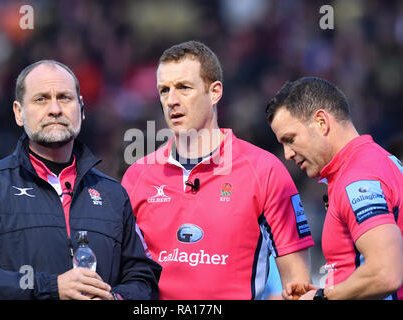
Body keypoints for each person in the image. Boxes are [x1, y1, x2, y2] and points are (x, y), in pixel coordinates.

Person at [121, 40, 314, 299]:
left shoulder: (265, 171)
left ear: (215, 92)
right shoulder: (137, 176)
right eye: (164, 90)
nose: (171, 100)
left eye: (183, 88)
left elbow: (298, 286)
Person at [0, 60, 161, 300]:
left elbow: (143, 278)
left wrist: (115, 298)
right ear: (19, 113)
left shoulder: (113, 193)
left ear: (81, 109)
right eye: (41, 99)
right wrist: (50, 287)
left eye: (64, 98)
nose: (55, 109)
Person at [266, 76, 403, 300]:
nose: (288, 154)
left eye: (290, 139)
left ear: (321, 122)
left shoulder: (358, 178)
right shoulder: (381, 161)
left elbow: (386, 272)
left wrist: (322, 297)